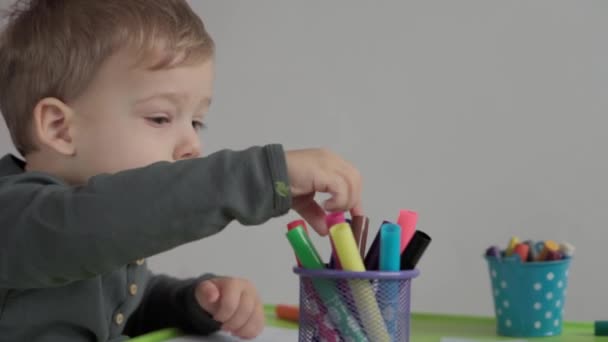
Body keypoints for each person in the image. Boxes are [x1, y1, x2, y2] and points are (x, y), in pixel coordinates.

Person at [0, 1, 362, 341]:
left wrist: (191, 301)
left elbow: (124, 306)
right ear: (60, 128)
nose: (193, 144)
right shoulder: (18, 217)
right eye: (160, 117)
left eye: (196, 122)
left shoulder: (100, 240)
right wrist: (261, 177)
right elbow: (96, 224)